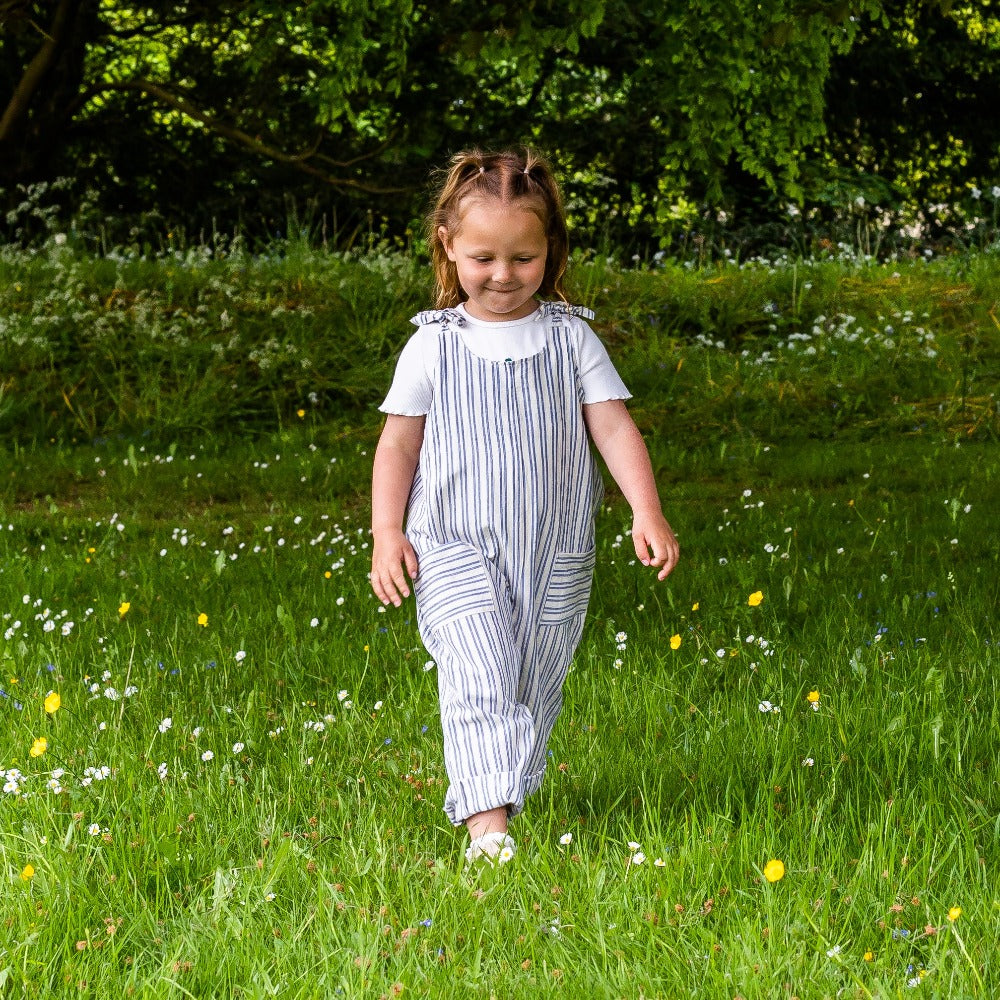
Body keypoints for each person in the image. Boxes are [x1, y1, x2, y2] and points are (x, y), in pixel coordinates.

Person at [370, 147, 679, 864]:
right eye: (483, 258)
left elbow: (613, 427)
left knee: (532, 682)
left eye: (523, 258)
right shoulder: (432, 346)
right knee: (479, 671)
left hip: (553, 550)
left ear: (551, 250)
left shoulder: (570, 337)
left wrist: (647, 510)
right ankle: (488, 832)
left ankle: (505, 791)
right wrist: (387, 530)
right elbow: (397, 446)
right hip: (452, 543)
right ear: (449, 246)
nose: (502, 275)